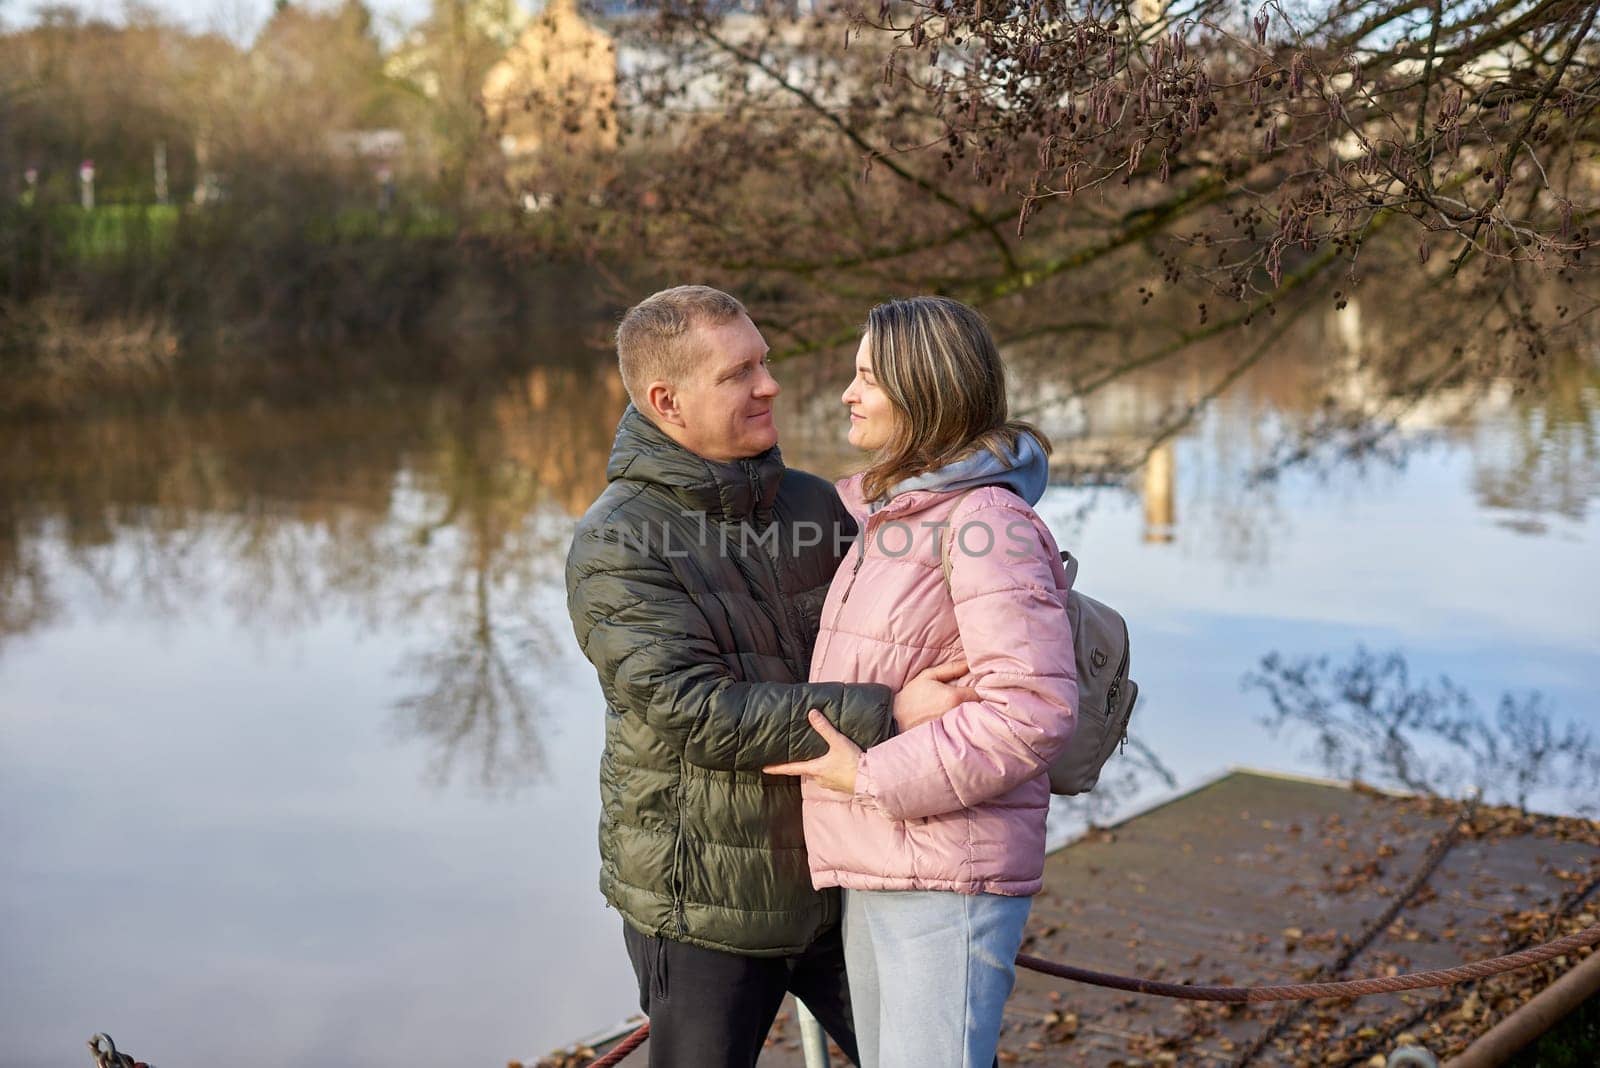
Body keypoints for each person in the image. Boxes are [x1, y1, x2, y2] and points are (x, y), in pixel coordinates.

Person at [565, 285, 973, 1068]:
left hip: (846, 876)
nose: (769, 384)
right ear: (667, 400)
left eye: (766, 361)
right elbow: (698, 712)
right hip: (706, 909)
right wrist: (893, 713)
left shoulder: (816, 503)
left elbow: (916, 630)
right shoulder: (617, 543)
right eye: (738, 373)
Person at [764, 296, 1079, 1068]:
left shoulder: (988, 523)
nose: (848, 392)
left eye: (868, 376)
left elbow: (1033, 712)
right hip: (883, 853)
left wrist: (870, 772)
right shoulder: (887, 515)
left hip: (947, 871)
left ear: (924, 388)